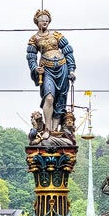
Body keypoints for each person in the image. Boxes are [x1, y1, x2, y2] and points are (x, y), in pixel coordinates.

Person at [26, 9, 76, 138]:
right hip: (47, 70)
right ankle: (47, 129)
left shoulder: (57, 35)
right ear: (37, 21)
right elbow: (31, 57)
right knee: (49, 98)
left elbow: (68, 51)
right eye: (43, 20)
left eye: (47, 20)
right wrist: (35, 68)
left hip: (62, 68)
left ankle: (55, 130)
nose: (45, 22)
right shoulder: (34, 39)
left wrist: (71, 69)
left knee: (60, 99)